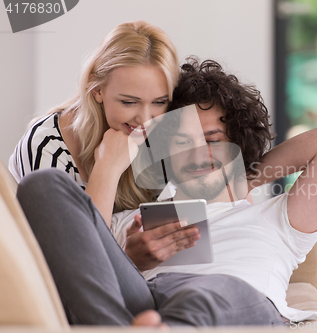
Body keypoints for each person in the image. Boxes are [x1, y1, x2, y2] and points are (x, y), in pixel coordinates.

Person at [16, 59, 317, 326]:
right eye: (180, 142)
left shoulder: (280, 218)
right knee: (41, 185)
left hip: (227, 302)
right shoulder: (133, 217)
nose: (195, 154)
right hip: (143, 302)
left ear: (237, 142)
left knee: (220, 290)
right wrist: (130, 259)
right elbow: (82, 267)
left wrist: (238, 179)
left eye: (211, 140)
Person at [9, 21, 201, 269]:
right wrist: (108, 169)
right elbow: (74, 267)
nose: (145, 120)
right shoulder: (47, 146)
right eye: (129, 102)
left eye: (159, 102)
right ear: (97, 89)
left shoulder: (157, 136)